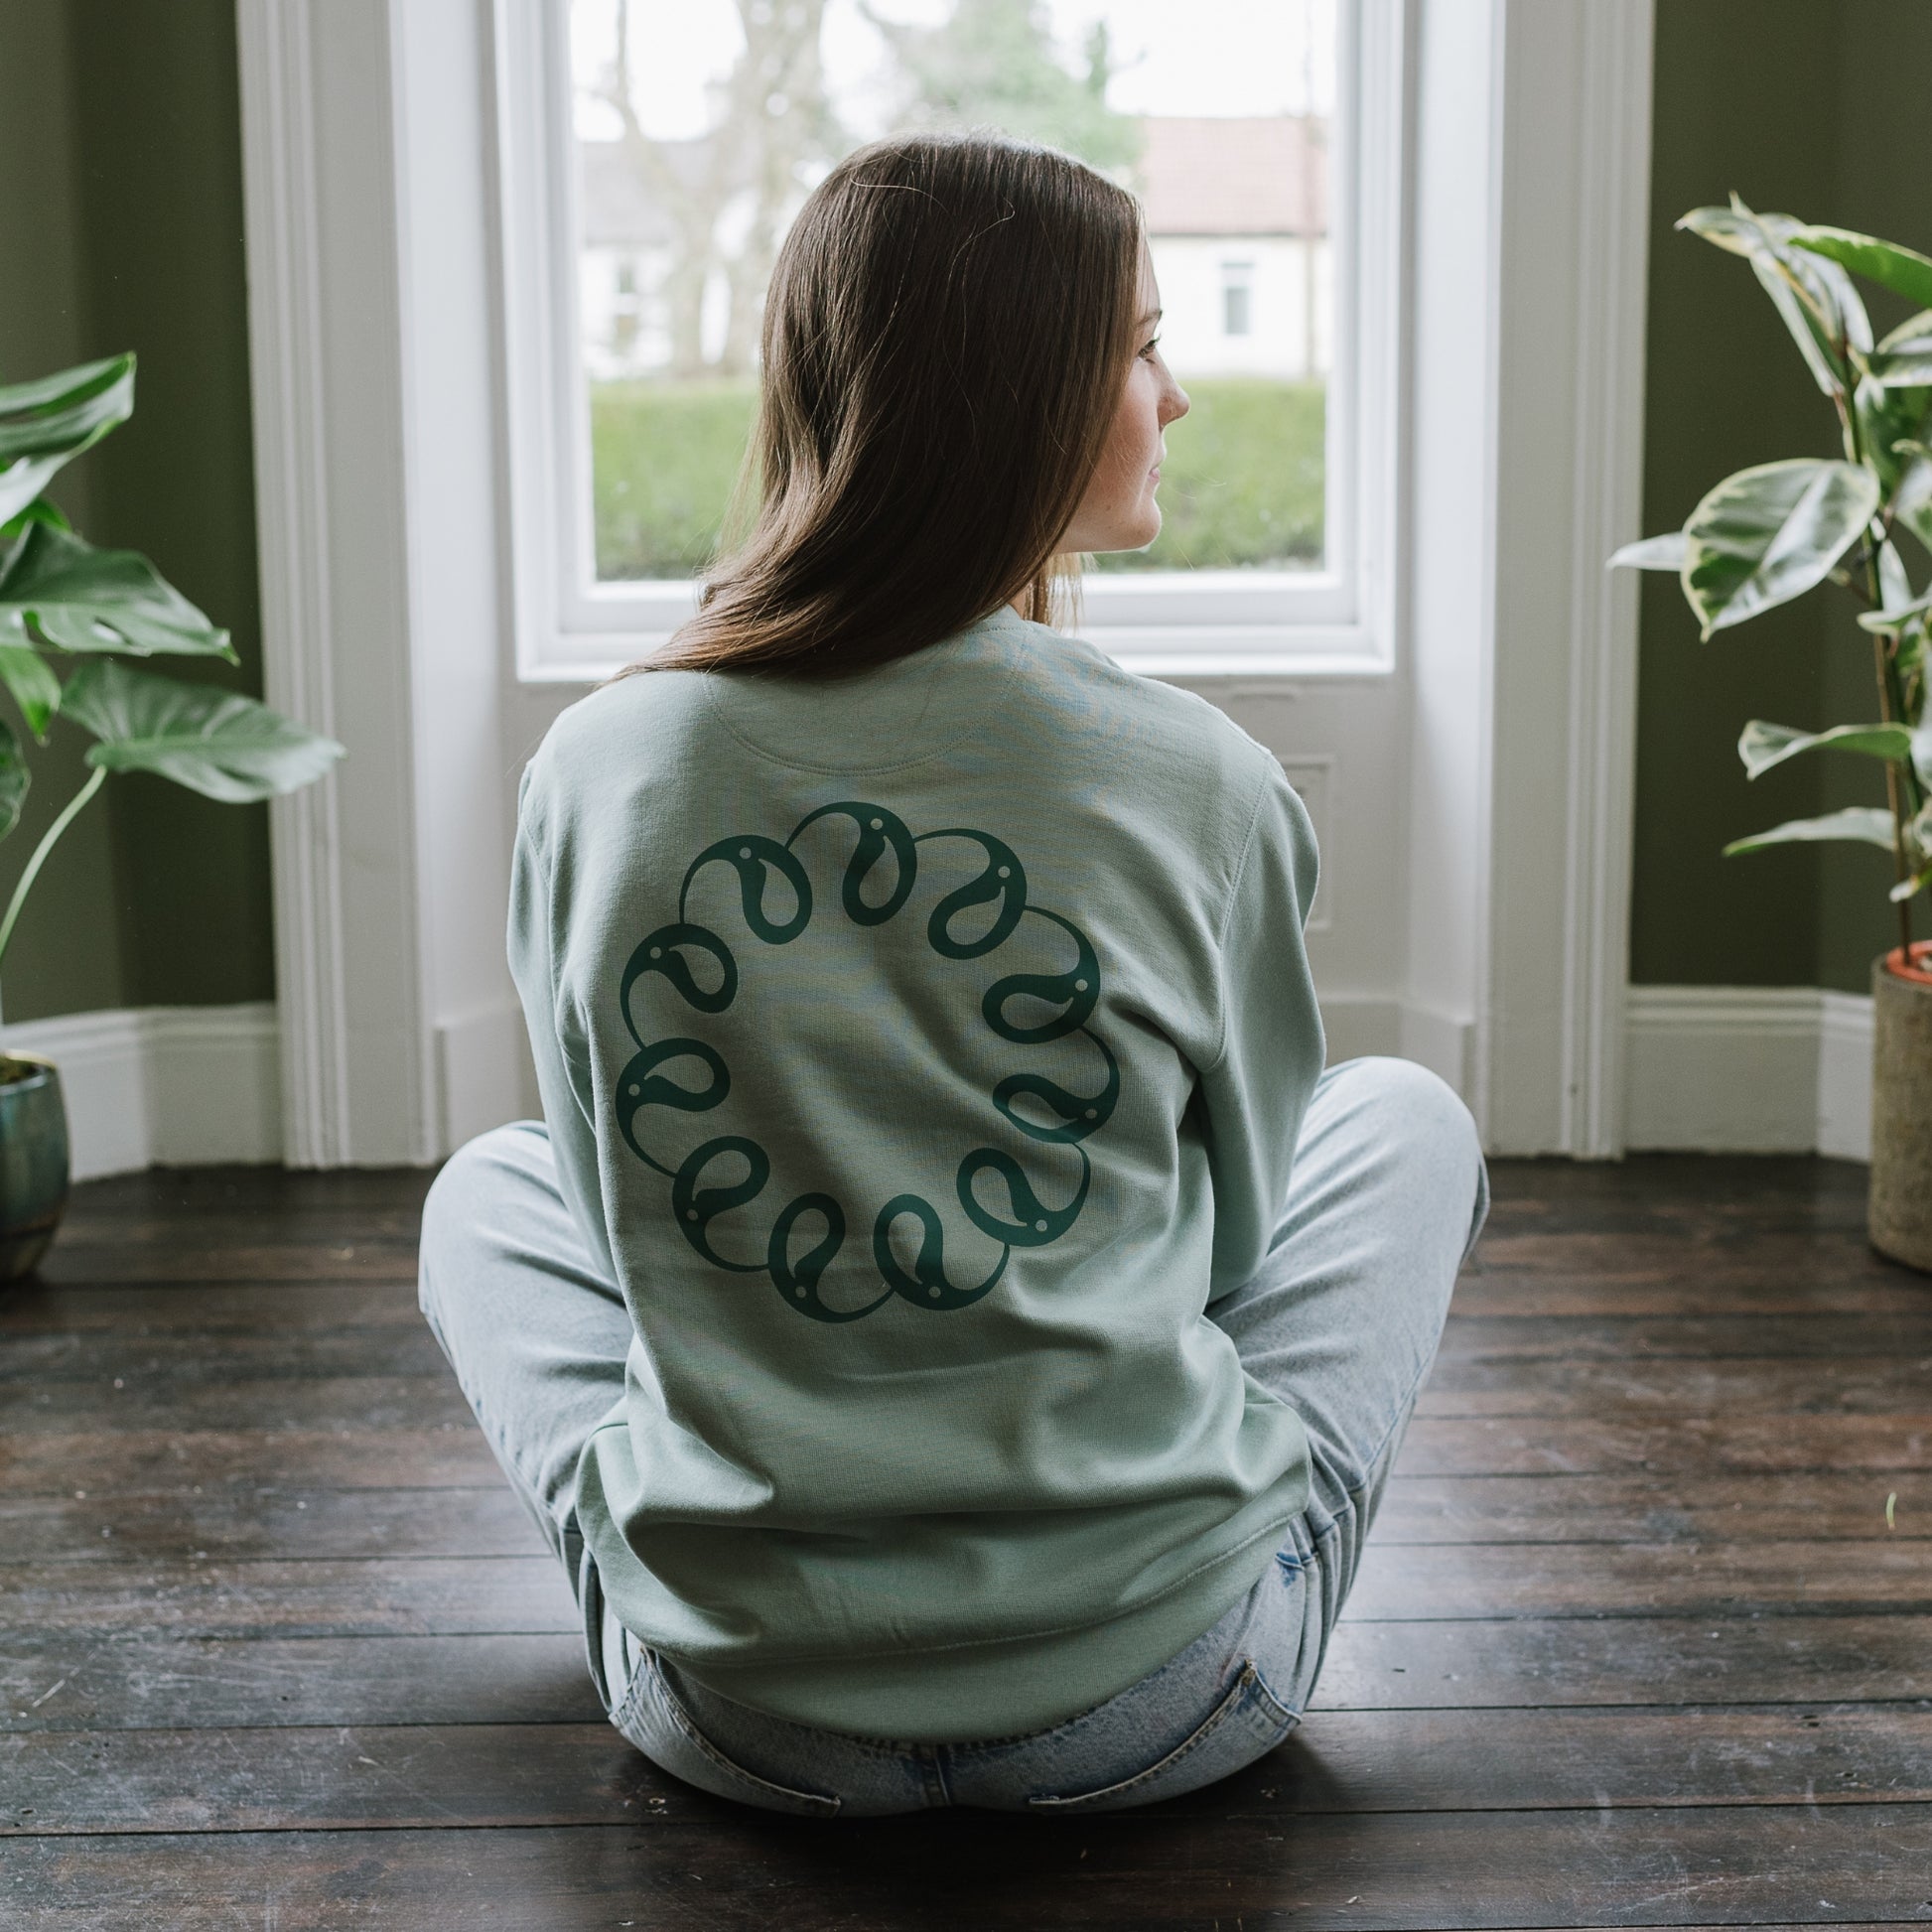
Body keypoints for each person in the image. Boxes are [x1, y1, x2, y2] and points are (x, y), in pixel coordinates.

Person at [418, 130, 1486, 1818]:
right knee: (1407, 1118)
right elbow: (1233, 1235)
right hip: (1160, 1699)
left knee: (484, 1192)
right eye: (1141, 346)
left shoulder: (600, 764)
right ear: (1024, 395)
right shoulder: (1201, 782)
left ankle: (733, 1555)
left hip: (736, 1715)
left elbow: (615, 1209)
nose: (1176, 395)